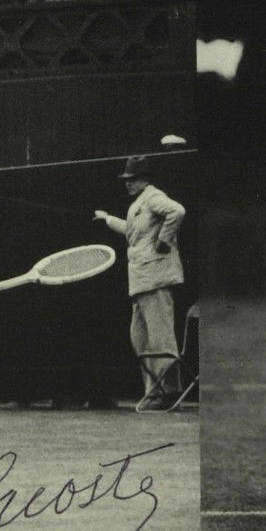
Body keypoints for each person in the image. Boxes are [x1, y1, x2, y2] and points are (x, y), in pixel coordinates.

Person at [94, 154, 186, 411]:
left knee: (161, 339)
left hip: (156, 279)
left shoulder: (154, 197)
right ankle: (154, 391)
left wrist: (164, 241)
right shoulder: (139, 205)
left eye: (132, 179)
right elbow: (133, 233)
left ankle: (170, 392)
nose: (127, 183)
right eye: (126, 179)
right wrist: (108, 219)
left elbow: (177, 211)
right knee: (141, 339)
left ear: (144, 179)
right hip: (141, 282)